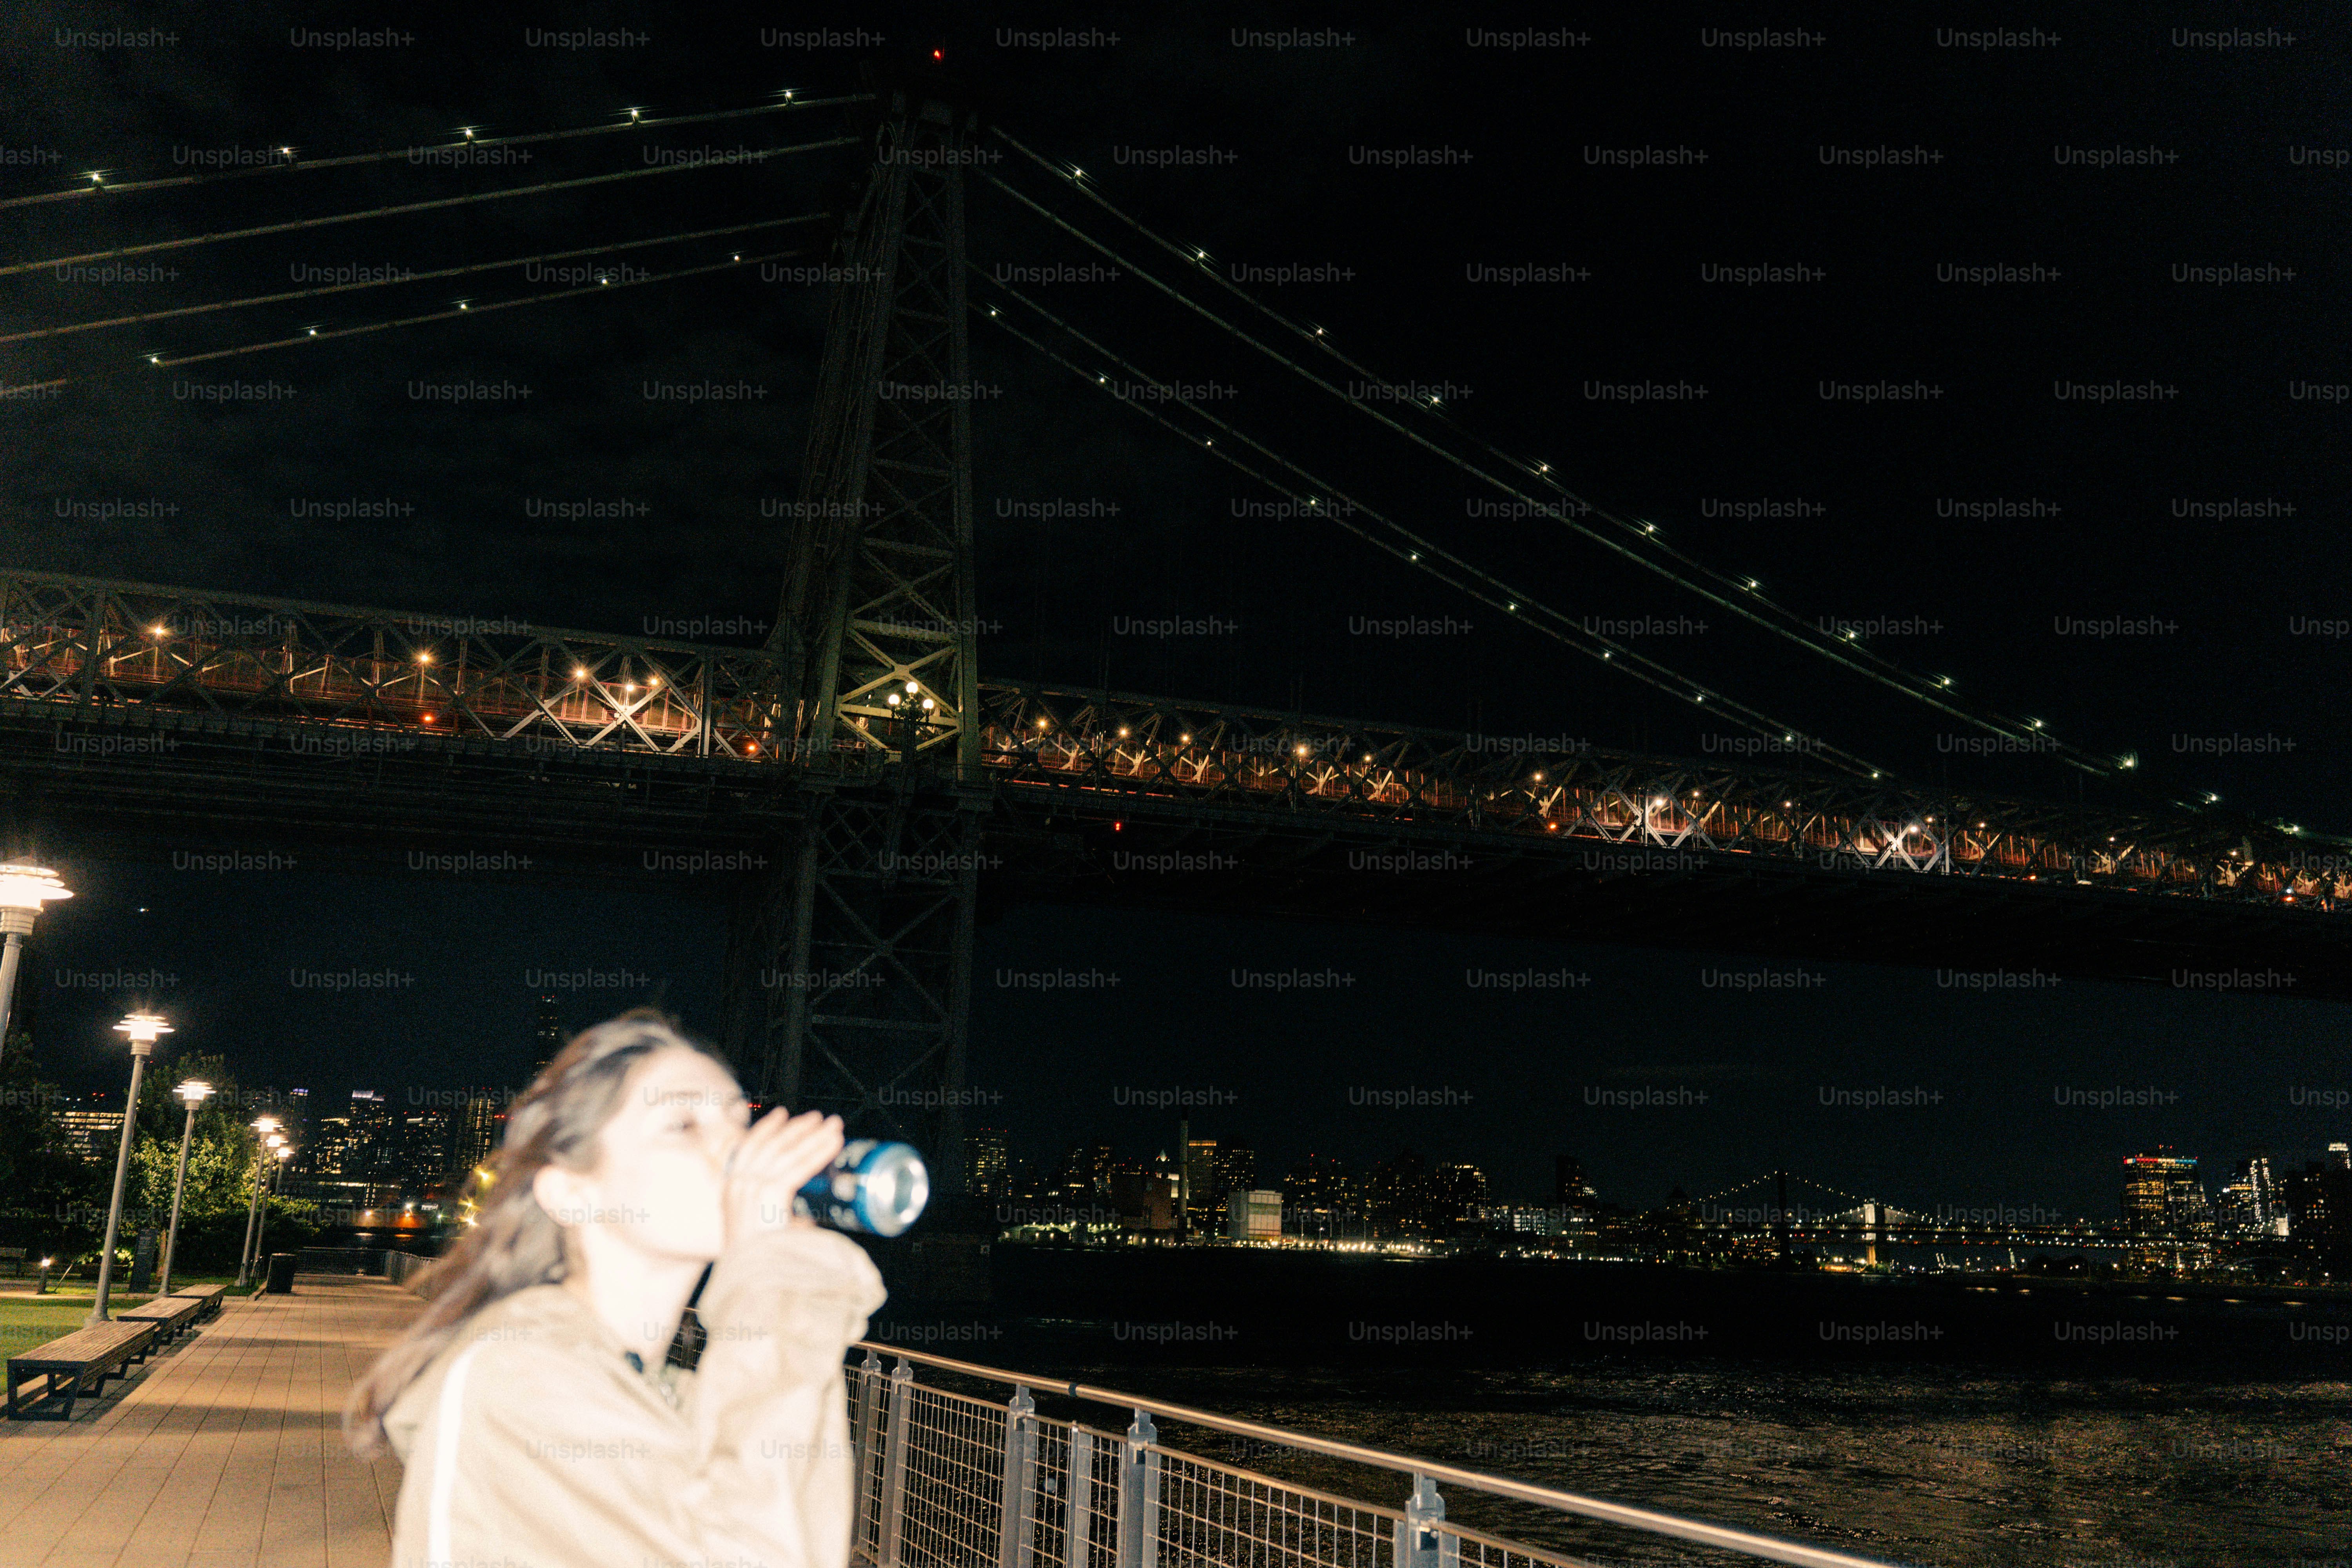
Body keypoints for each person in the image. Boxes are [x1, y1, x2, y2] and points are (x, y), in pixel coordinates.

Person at [345, 1009, 886, 1568]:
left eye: (738, 1121)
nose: (735, 1149)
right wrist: (777, 1280)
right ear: (572, 1194)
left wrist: (785, 1284)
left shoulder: (676, 1399)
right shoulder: (516, 1376)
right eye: (683, 1125)